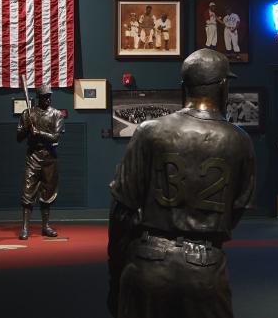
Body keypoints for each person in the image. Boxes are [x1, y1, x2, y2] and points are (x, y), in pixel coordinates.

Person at [108, 48, 256, 318]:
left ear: (184, 86)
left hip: (147, 262)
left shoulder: (149, 131)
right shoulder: (239, 140)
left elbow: (122, 211)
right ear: (223, 86)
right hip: (205, 267)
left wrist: (115, 272)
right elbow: (236, 211)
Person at [16, 84, 64, 240]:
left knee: (48, 192)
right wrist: (27, 129)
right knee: (27, 191)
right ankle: (24, 228)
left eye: (49, 96)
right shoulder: (28, 114)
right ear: (38, 98)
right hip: (33, 155)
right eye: (44, 97)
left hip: (50, 156)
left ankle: (45, 226)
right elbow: (18, 138)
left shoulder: (56, 114)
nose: (48, 99)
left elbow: (55, 137)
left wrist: (39, 132)